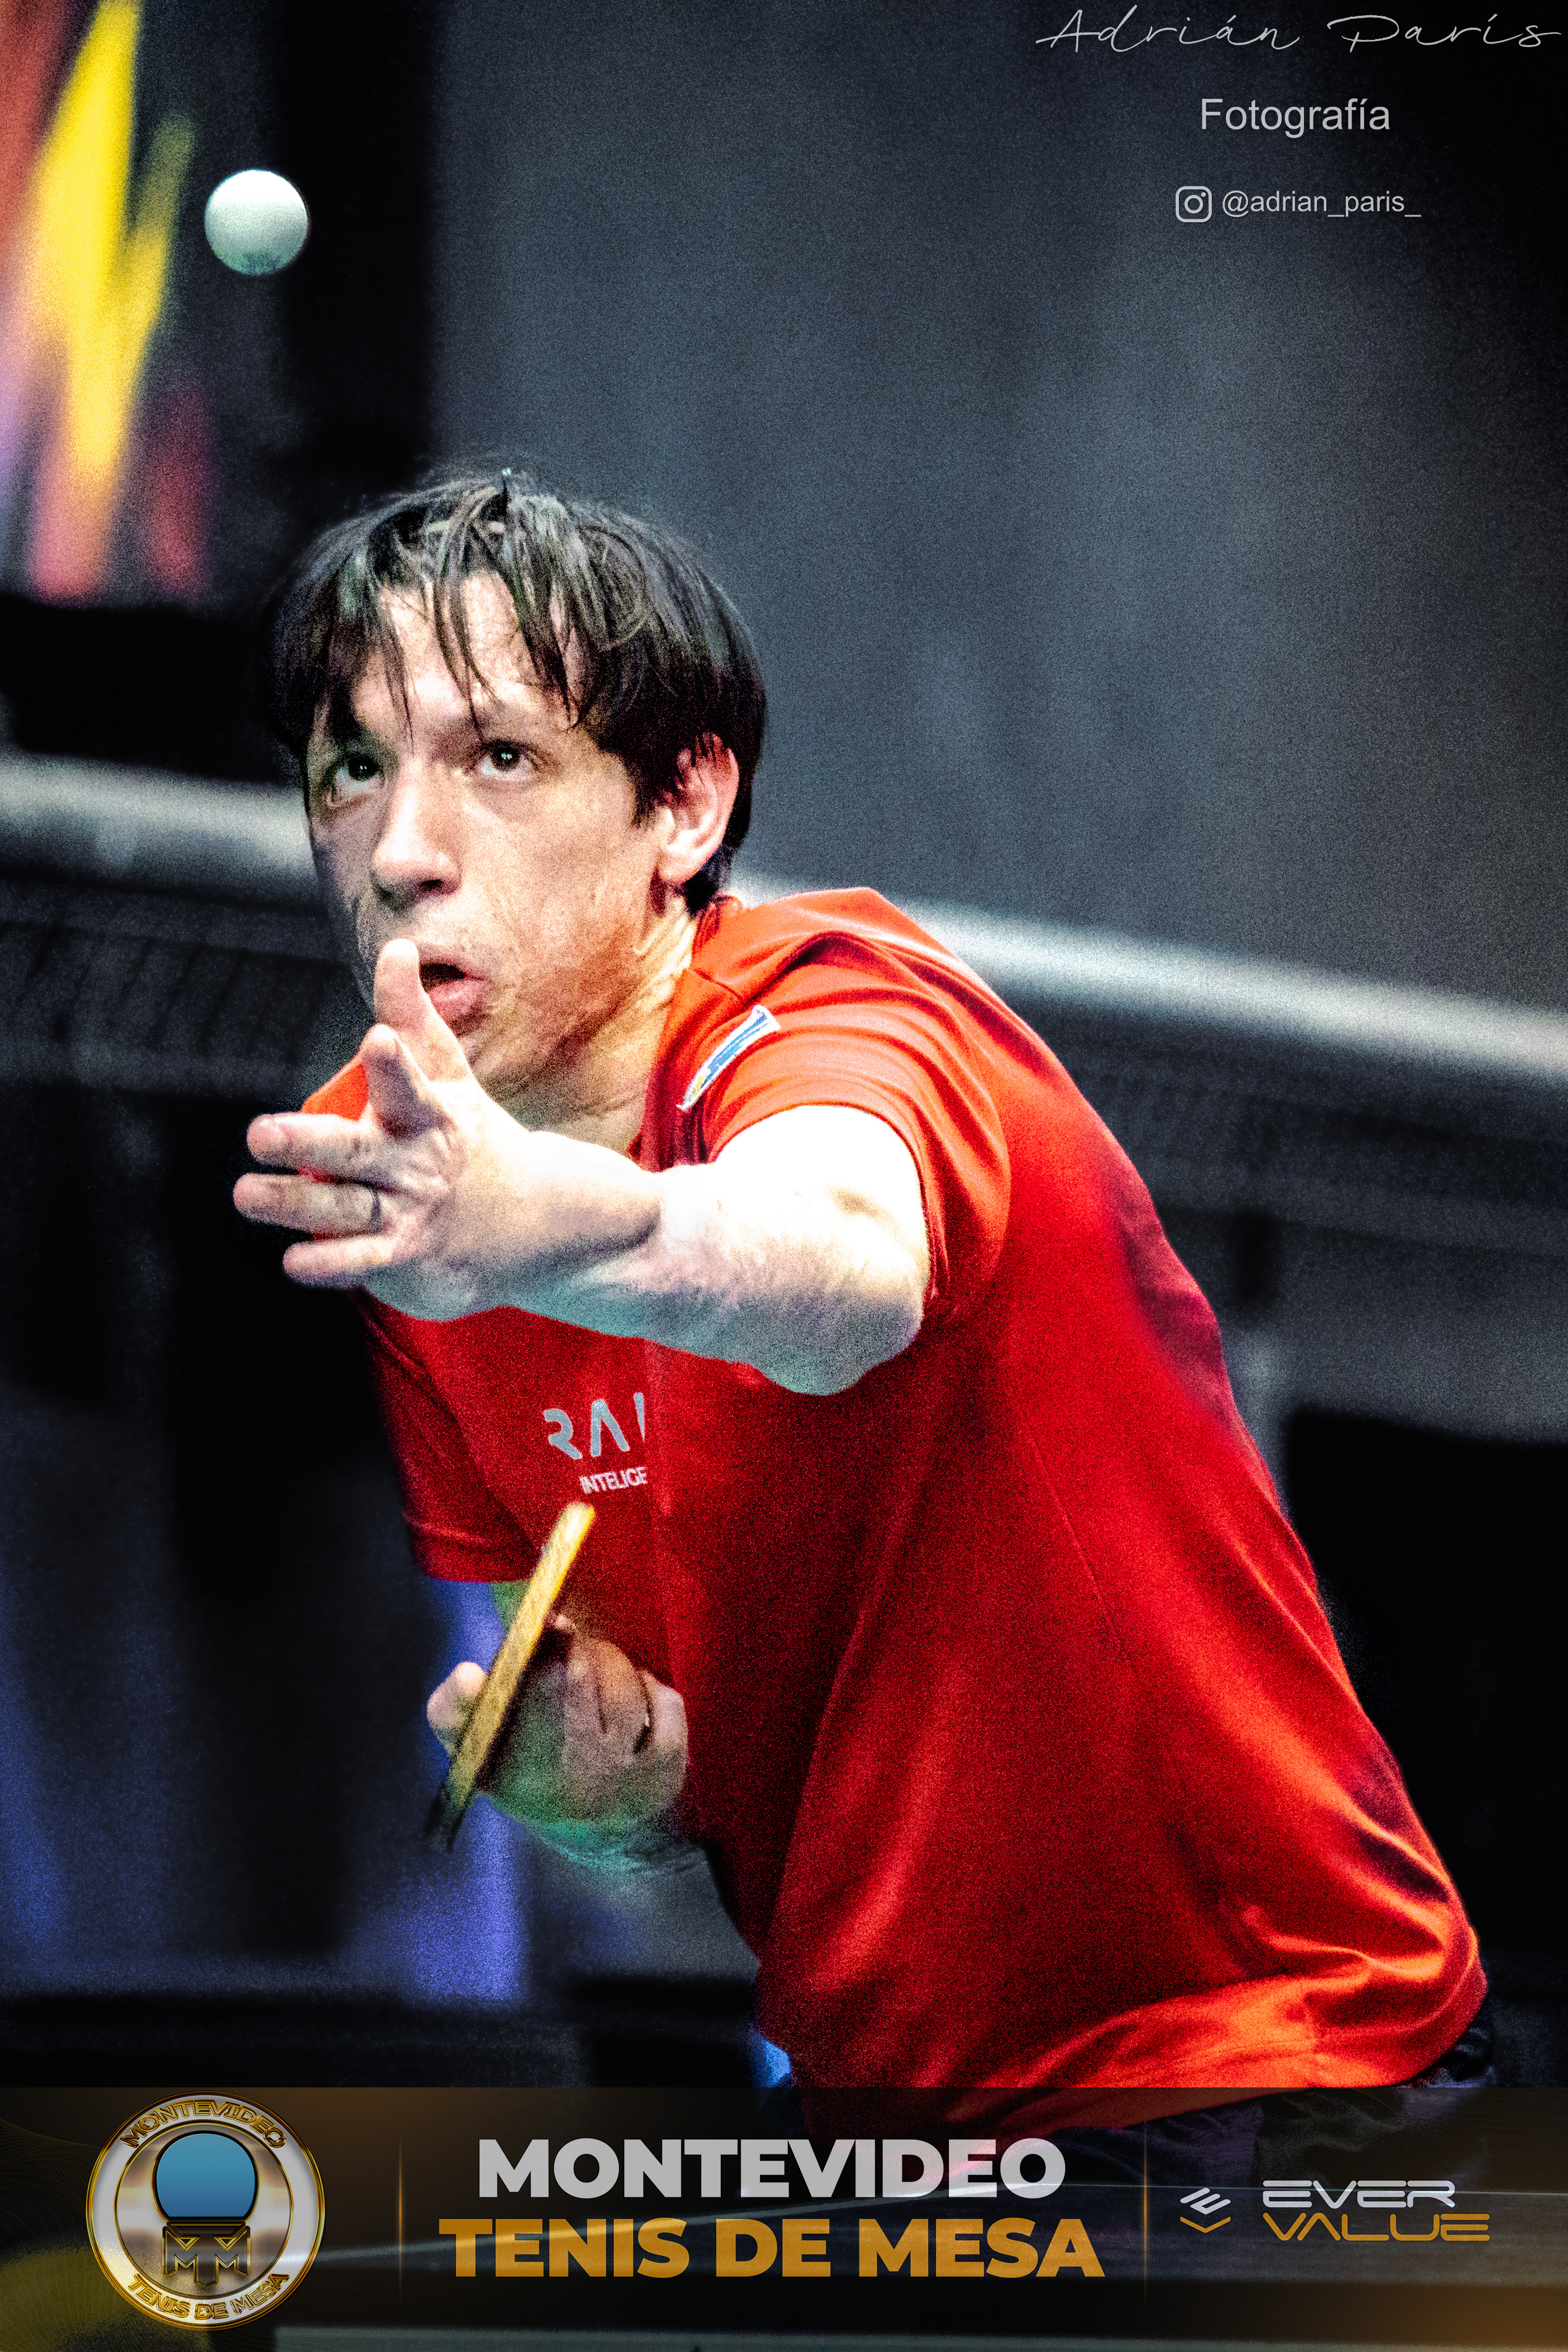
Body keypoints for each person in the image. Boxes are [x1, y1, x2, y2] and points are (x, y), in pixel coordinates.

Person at [236, 472, 1486, 2100]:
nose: (401, 852)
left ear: (684, 808)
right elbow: (702, 1743)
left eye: (500, 758)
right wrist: (610, 1794)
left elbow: (845, 1265)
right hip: (881, 2093)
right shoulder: (409, 1182)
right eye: (352, 769)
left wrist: (566, 1233)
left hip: (1270, 2054)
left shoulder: (834, 1011)